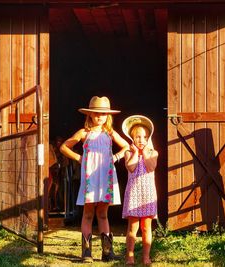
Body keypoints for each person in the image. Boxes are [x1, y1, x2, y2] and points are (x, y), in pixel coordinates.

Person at [60, 96, 129, 263]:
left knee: (103, 214)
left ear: (108, 116)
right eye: (96, 113)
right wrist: (79, 158)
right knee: (88, 213)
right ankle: (87, 253)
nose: (100, 116)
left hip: (105, 175)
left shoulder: (110, 133)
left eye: (103, 113)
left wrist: (116, 157)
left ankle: (107, 252)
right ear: (90, 115)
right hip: (90, 178)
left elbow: (127, 146)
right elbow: (64, 147)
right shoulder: (84, 133)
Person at [121, 115, 159, 266]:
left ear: (149, 138)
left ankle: (146, 256)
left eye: (145, 137)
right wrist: (136, 152)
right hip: (134, 194)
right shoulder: (128, 153)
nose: (141, 140)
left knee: (146, 227)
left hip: (148, 194)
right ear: (132, 138)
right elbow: (131, 167)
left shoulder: (153, 153)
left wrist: (145, 152)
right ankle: (130, 256)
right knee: (133, 227)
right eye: (138, 137)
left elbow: (150, 167)